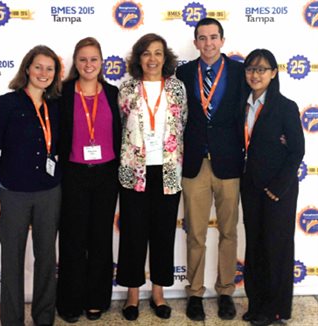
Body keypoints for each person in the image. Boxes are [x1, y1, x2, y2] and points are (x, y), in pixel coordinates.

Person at [0, 45, 62, 326]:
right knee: (12, 261)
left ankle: (43, 319)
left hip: (49, 193)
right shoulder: (5, 104)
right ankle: (12, 321)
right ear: (27, 68)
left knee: (46, 260)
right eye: (38, 67)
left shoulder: (56, 105)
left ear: (55, 73)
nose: (43, 73)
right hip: (12, 194)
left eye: (49, 68)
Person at [175, 17, 244, 321]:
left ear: (222, 40)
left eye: (213, 37)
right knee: (196, 234)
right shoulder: (183, 72)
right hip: (195, 164)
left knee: (229, 231)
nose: (208, 43)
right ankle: (195, 293)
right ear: (195, 42)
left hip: (229, 163)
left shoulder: (242, 72)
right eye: (202, 38)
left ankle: (226, 291)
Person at [116, 33, 187, 321]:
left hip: (168, 172)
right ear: (138, 58)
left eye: (158, 53)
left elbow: (182, 123)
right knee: (133, 234)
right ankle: (132, 295)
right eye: (146, 53)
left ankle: (158, 293)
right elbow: (122, 125)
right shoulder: (128, 88)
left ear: (165, 57)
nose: (152, 59)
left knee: (163, 233)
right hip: (135, 172)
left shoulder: (177, 88)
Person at [56, 37, 121, 323]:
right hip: (74, 175)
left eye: (94, 59)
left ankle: (96, 299)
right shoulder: (63, 93)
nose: (88, 64)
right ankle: (70, 301)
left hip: (106, 174)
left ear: (102, 62)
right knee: (72, 239)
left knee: (100, 240)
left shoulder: (112, 92)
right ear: (75, 62)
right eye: (82, 59)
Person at [240, 49, 304, 326]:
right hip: (250, 186)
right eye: (251, 69)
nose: (255, 75)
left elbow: (296, 152)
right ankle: (257, 304)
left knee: (276, 248)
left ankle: (276, 309)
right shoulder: (241, 104)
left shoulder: (285, 106)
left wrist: (279, 186)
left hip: (279, 189)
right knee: (254, 247)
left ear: (273, 73)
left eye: (262, 69)